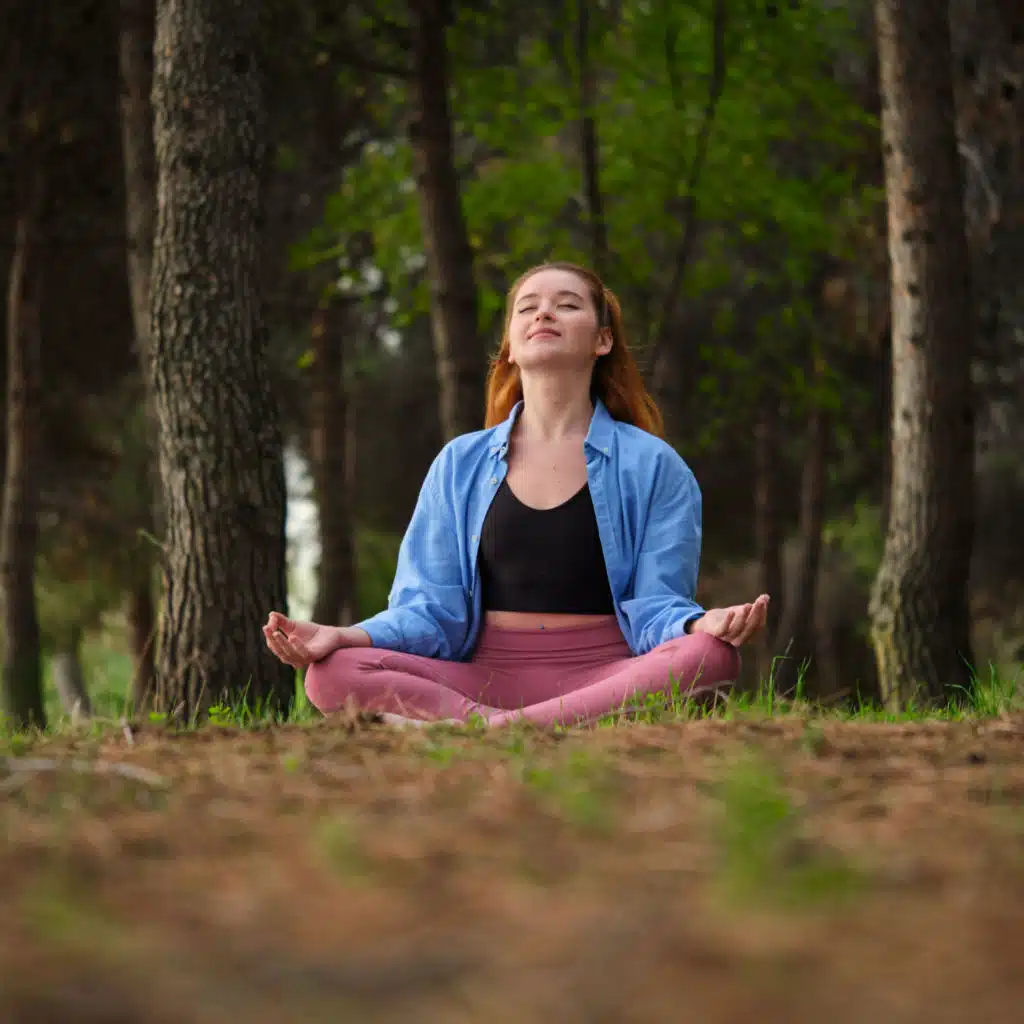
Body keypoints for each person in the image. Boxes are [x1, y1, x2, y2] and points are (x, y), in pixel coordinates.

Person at [264, 262, 769, 728]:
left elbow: (658, 607)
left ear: (603, 340)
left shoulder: (654, 466)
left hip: (605, 676)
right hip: (482, 680)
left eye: (567, 304)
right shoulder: (459, 464)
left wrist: (699, 623)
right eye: (527, 308)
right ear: (509, 345)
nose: (544, 313)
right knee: (332, 672)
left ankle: (491, 730)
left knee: (710, 656)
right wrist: (343, 635)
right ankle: (529, 725)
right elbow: (428, 611)